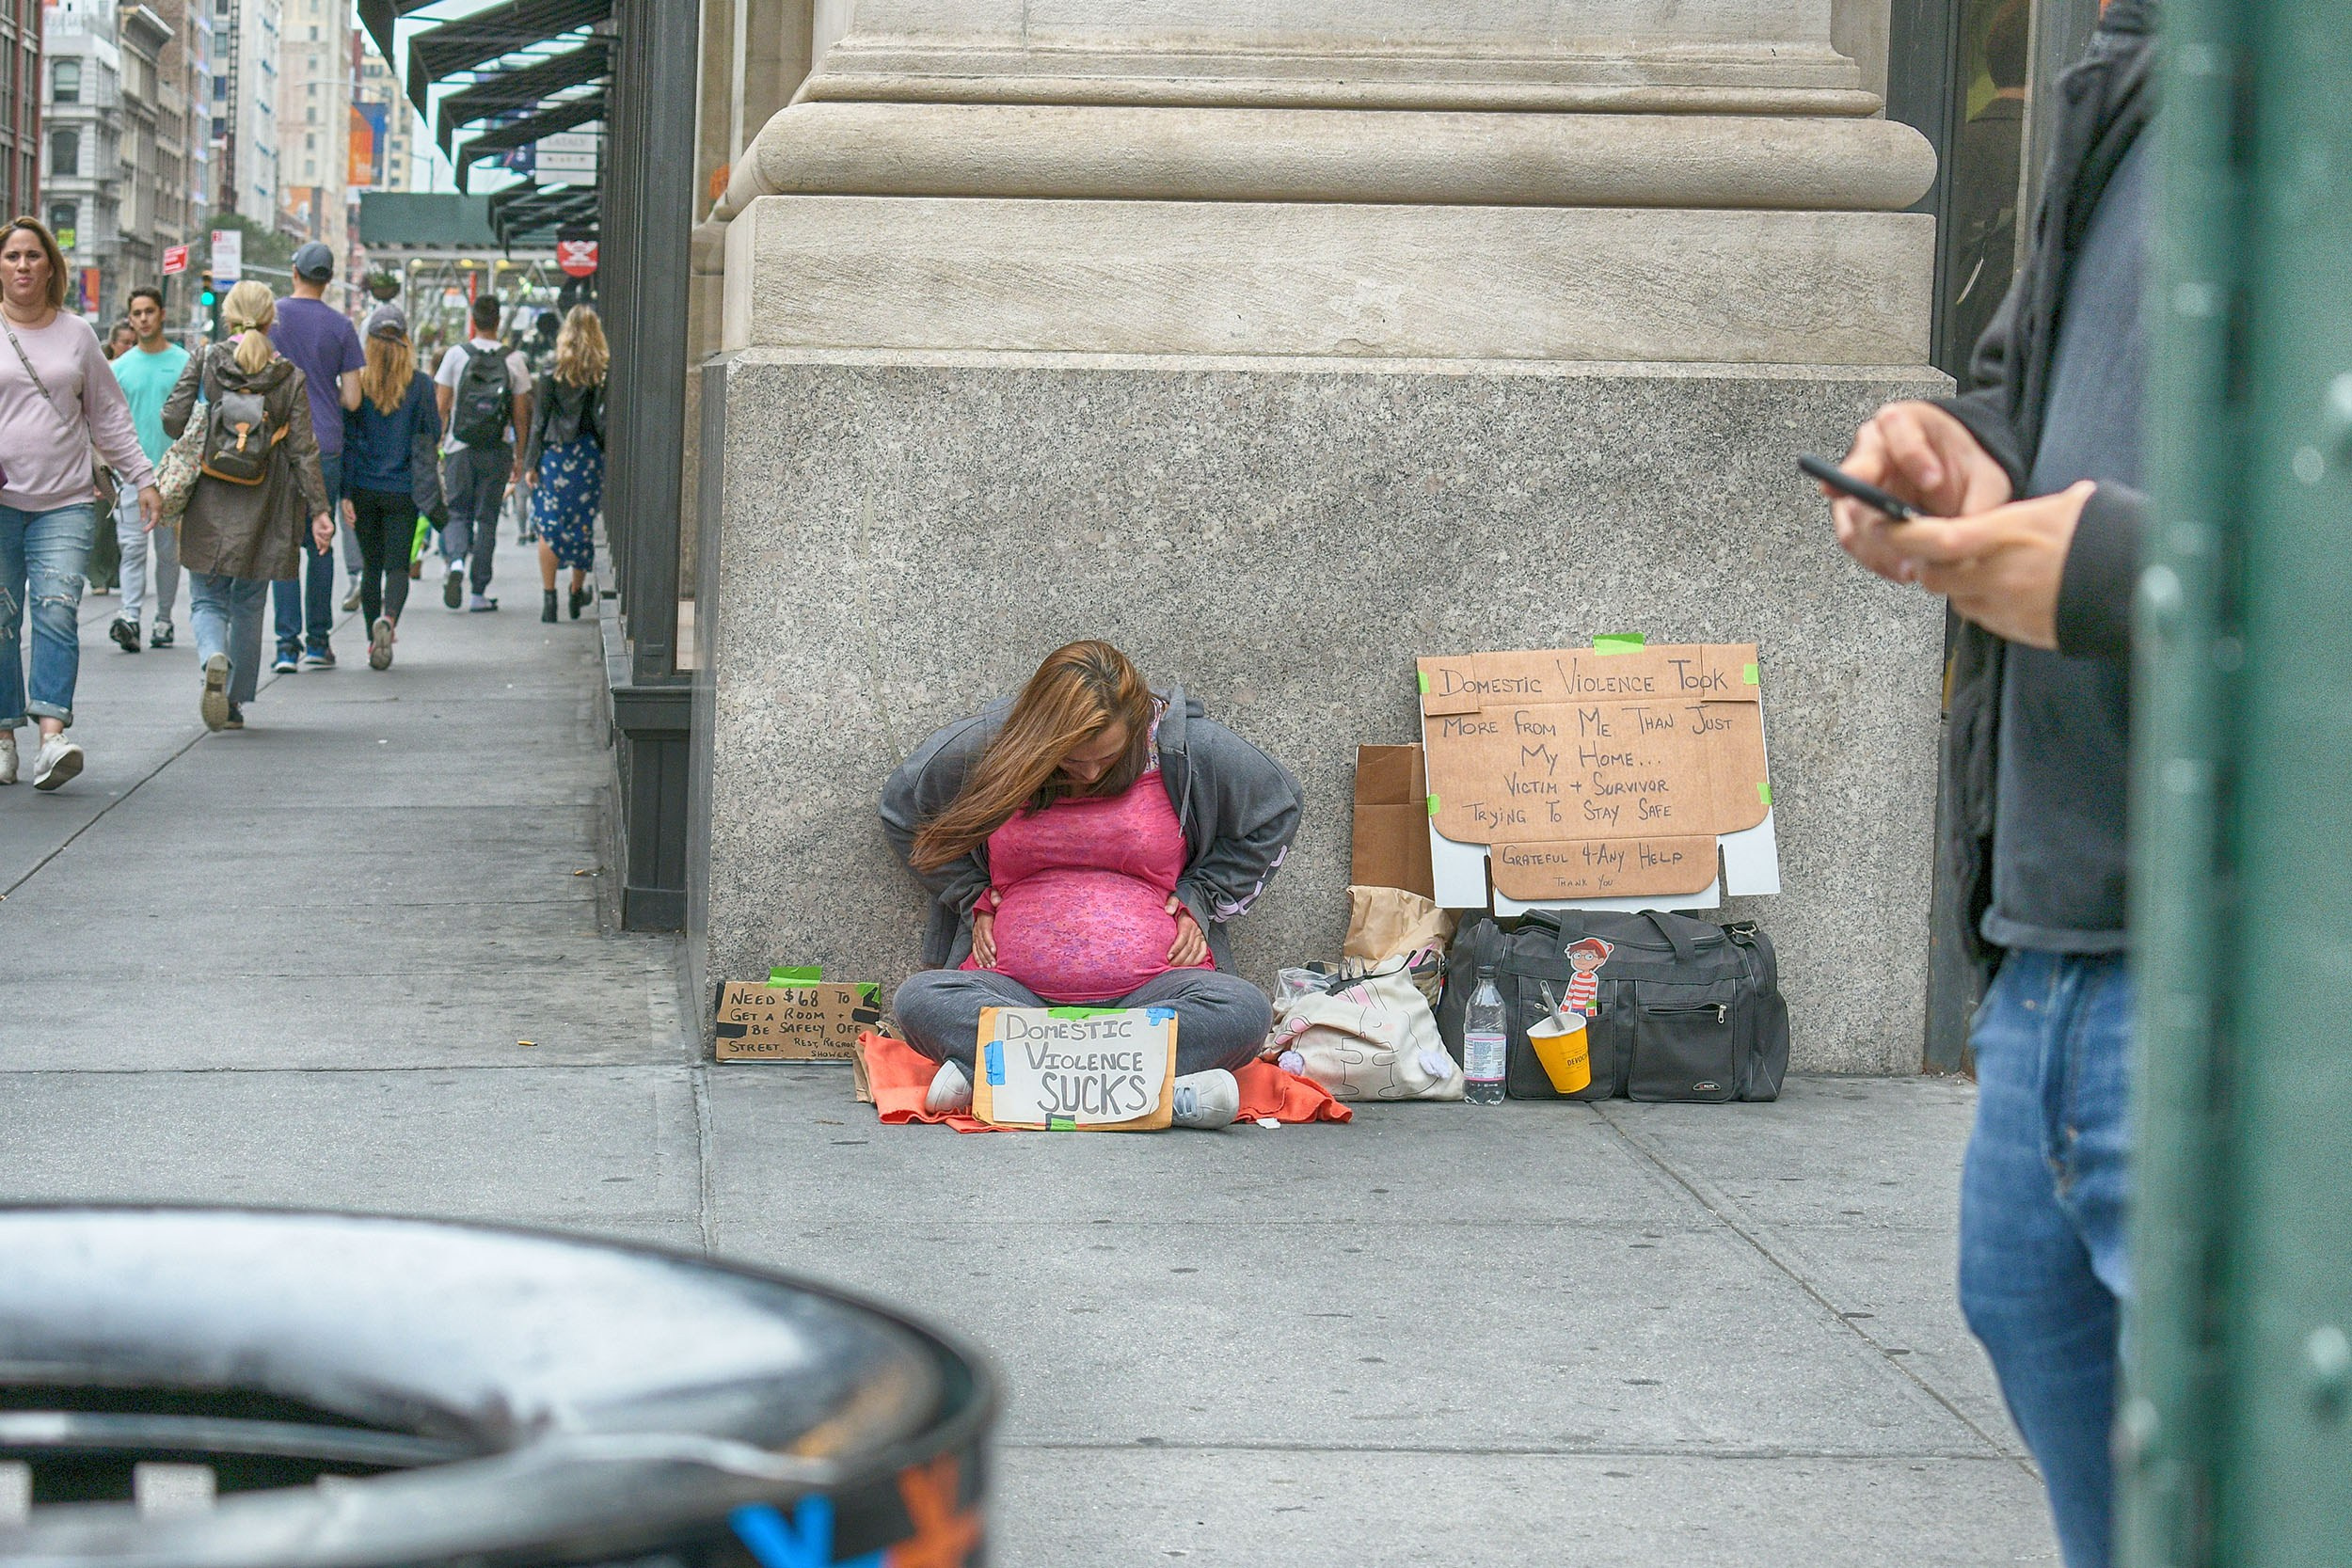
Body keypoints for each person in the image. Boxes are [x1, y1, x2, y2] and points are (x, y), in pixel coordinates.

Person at [1819, 6, 2151, 1565]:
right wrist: (1957, 458)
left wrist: (2118, 573)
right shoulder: (2143, 69)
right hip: (2055, 943)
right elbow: (2033, 399)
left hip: (2264, 971)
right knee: (2036, 1324)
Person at [881, 641, 1302, 1131]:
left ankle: (1003, 1081)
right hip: (1014, 993)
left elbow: (1278, 806)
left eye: (1106, 756)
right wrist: (968, 891)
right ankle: (1162, 1090)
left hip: (1153, 993)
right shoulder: (993, 744)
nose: (1091, 772)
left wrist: (1204, 896)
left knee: (1243, 1011)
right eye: (1070, 759)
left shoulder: (1186, 748)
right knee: (919, 1000)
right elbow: (902, 809)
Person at [0, 217, 159, 789]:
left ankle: (51, 738)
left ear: (51, 267)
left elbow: (109, 415)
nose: (23, 265)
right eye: (12, 256)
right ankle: (2, 737)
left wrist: (143, 477)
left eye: (33, 256)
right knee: (0, 620)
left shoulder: (77, 335)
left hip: (65, 500)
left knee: (56, 608)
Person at [164, 280, 333, 733]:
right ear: (271, 320)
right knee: (250, 601)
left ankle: (211, 658)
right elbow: (303, 449)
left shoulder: (205, 359)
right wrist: (320, 510)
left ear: (227, 315)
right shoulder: (289, 376)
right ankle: (234, 700)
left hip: (211, 493)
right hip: (267, 499)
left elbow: (172, 419)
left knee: (206, 596)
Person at [267, 242, 364, 672]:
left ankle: (285, 646)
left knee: (282, 545)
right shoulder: (342, 326)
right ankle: (317, 641)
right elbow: (354, 398)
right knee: (320, 543)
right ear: (328, 279)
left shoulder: (270, 320)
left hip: (277, 443)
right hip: (325, 444)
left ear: (294, 272)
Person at [341, 303, 444, 671]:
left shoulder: (360, 385)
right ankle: (390, 620)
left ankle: (373, 639)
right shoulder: (419, 384)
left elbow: (348, 439)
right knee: (398, 567)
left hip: (365, 487)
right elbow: (433, 432)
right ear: (405, 342)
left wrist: (346, 493)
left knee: (371, 566)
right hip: (404, 489)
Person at [434, 293, 532, 612]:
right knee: (487, 519)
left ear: (473, 320)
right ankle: (478, 592)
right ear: (498, 321)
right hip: (497, 450)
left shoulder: (455, 356)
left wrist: (438, 446)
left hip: (459, 448)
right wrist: (519, 456)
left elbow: (441, 407)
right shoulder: (513, 360)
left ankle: (457, 562)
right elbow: (521, 414)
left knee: (457, 512)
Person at [105, 286, 190, 654]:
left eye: (149, 312)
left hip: (173, 477)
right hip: (131, 476)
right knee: (133, 548)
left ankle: (164, 619)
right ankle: (130, 617)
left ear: (162, 314)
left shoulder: (185, 362)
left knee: (170, 553)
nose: (143, 319)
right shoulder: (119, 369)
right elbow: (109, 423)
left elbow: (196, 416)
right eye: (136, 313)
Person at [522, 304, 605, 624]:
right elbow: (602, 421)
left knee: (549, 525)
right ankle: (575, 591)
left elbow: (539, 420)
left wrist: (531, 462)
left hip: (555, 455)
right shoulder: (600, 372)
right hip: (587, 456)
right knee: (581, 525)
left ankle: (548, 598)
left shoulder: (551, 369)